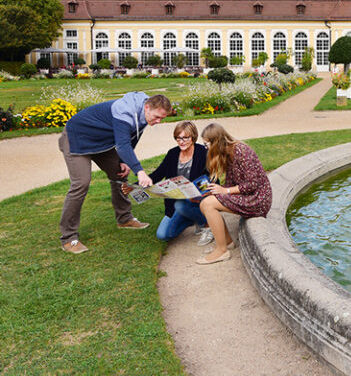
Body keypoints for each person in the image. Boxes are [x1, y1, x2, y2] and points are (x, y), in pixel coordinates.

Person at [58, 92, 172, 254]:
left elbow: (134, 136)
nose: (158, 121)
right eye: (156, 117)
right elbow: (123, 144)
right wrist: (139, 171)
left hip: (101, 142)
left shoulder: (146, 113)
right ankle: (68, 238)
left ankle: (124, 219)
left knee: (119, 172)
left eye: (162, 118)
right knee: (81, 183)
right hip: (77, 138)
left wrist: (124, 161)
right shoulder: (125, 111)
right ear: (147, 107)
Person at [196, 123, 272, 265]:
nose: (206, 148)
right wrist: (216, 190)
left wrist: (226, 191)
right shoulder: (227, 154)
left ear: (216, 142)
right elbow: (231, 183)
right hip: (248, 195)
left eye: (207, 144)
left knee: (208, 205)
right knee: (207, 202)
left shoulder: (242, 151)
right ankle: (227, 242)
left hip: (257, 199)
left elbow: (252, 184)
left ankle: (222, 251)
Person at [144, 121, 212, 245]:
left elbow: (212, 178)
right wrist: (137, 185)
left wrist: (199, 190)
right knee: (162, 235)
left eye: (185, 138)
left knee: (181, 205)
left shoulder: (203, 152)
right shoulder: (173, 153)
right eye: (178, 138)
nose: (181, 141)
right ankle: (191, 219)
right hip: (175, 203)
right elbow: (157, 174)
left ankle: (206, 225)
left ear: (193, 137)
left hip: (198, 201)